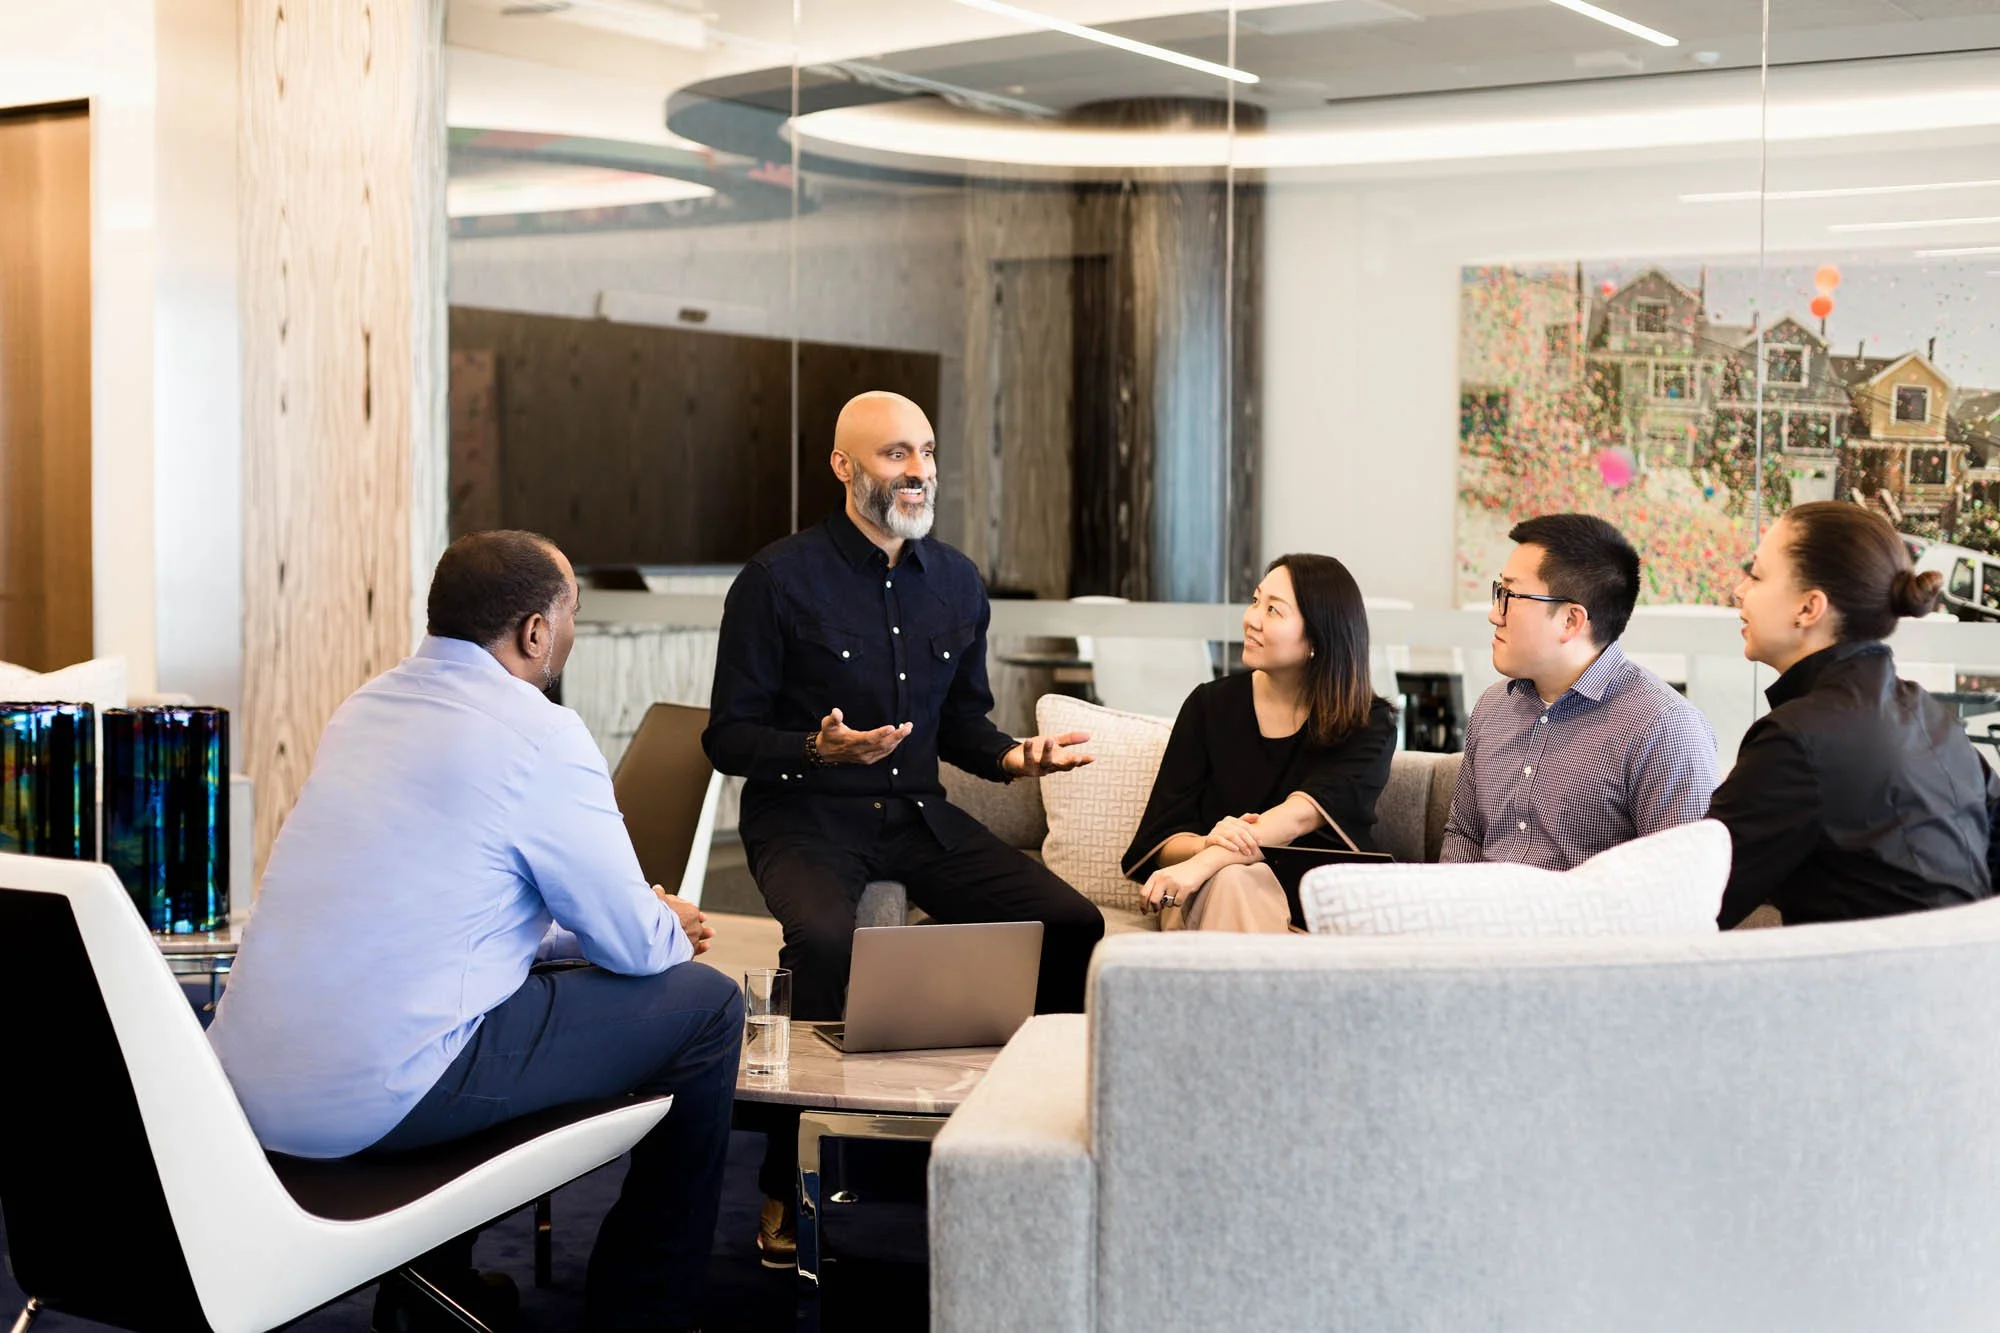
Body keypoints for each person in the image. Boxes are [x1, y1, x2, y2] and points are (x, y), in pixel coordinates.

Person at [208, 531, 741, 1333]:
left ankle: (435, 1290)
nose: (571, 633)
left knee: (484, 987)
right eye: (572, 615)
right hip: (379, 1099)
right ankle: (648, 1309)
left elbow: (444, 914)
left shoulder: (365, 707)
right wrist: (661, 919)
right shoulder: (540, 734)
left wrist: (574, 937)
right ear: (535, 631)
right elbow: (634, 948)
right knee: (704, 1006)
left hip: (243, 1096)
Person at [703, 389, 1106, 1263]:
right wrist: (818, 747)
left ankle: (1020, 1139)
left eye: (925, 452)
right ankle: (784, 1181)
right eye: (895, 455)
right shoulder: (775, 580)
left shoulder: (956, 583)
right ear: (845, 467)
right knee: (823, 938)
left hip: (915, 814)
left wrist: (1015, 761)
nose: (918, 470)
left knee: (1073, 924)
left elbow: (964, 725)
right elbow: (727, 738)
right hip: (805, 813)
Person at [1710, 501, 1998, 927]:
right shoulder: (1933, 718)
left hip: (1861, 989)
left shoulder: (1798, 740)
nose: (1739, 590)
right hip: (1959, 986)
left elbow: (1696, 895)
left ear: (1809, 608)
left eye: (1756, 575)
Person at [1123, 554, 1397, 931]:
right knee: (1234, 879)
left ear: (1317, 637)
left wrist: (1212, 858)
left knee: (1236, 876)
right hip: (1203, 893)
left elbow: (1299, 815)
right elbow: (1161, 840)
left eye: (1273, 610)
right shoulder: (1209, 706)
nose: (1251, 619)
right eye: (1255, 601)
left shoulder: (1366, 722)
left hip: (1310, 898)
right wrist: (1206, 846)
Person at [1442, 513, 1718, 870]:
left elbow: (1682, 883)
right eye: (1499, 592)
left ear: (1571, 620)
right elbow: (1465, 833)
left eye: (1510, 595)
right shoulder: (1493, 706)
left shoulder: (1664, 729)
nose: (1495, 614)